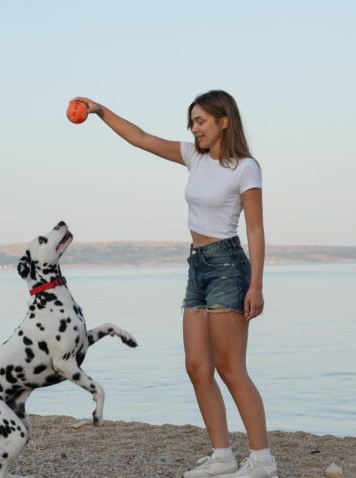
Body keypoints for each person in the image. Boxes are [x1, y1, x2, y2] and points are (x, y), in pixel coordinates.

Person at [70, 90, 277, 478]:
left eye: (200, 121)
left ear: (223, 122)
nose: (194, 128)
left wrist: (257, 286)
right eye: (192, 122)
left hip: (228, 267)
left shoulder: (245, 167)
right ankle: (222, 456)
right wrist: (99, 111)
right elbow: (141, 138)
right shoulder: (192, 156)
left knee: (231, 369)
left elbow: (256, 229)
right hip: (197, 266)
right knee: (197, 367)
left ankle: (263, 460)